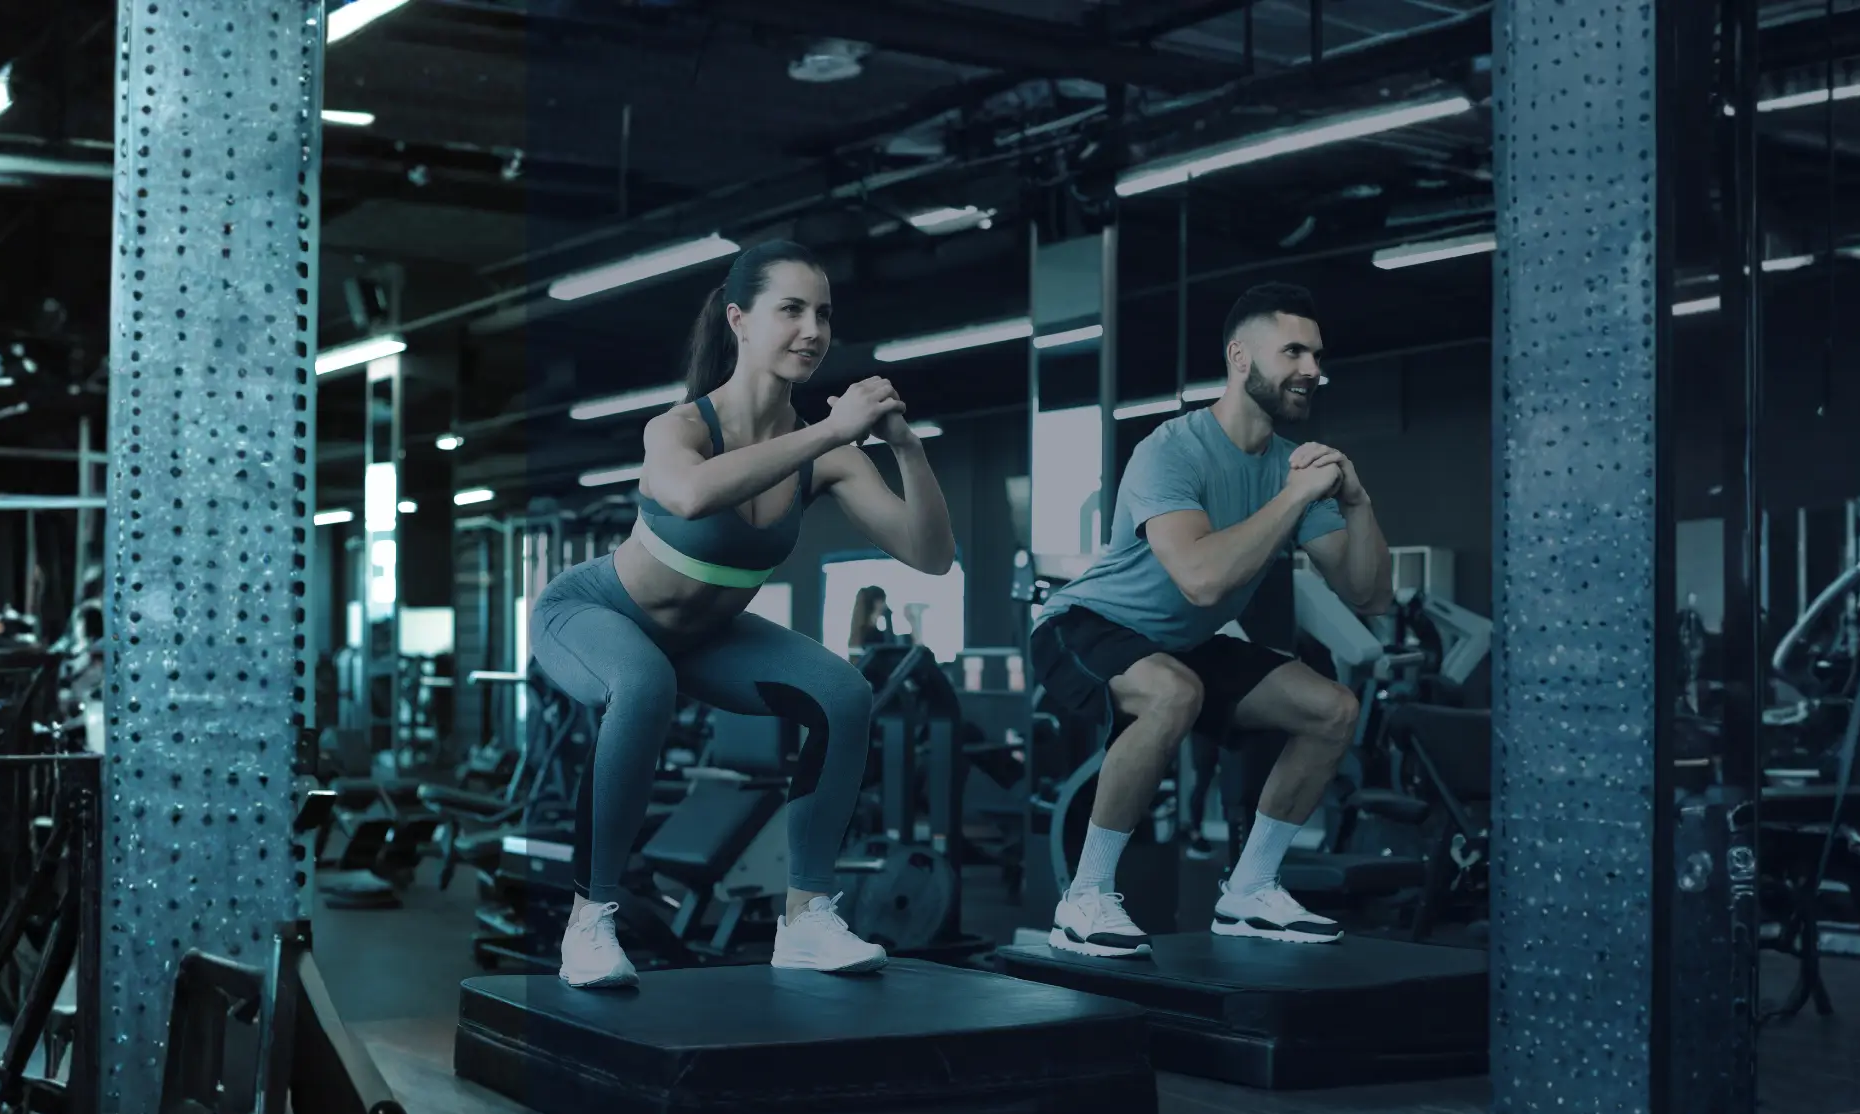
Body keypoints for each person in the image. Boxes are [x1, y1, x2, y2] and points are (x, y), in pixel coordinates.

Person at [531, 240, 957, 988]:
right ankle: (589, 922)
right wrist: (829, 429)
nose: (812, 330)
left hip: (705, 638)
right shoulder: (681, 428)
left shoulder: (831, 457)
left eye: (823, 313)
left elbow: (930, 556)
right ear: (739, 320)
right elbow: (691, 496)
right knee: (643, 682)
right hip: (597, 613)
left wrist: (908, 451)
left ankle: (806, 920)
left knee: (844, 694)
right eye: (790, 309)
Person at [1030, 282, 1393, 956]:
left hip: (1183, 641)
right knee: (1173, 694)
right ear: (1240, 358)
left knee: (1333, 709)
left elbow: (1368, 594)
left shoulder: (1293, 466)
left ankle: (1250, 891)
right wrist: (1294, 497)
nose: (1312, 368)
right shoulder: (1172, 450)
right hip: (1084, 626)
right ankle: (1084, 898)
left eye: (1316, 354)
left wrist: (1358, 500)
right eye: (1293, 351)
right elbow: (1201, 580)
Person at [847, 585, 895, 656]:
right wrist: (888, 617)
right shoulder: (872, 635)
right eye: (883, 601)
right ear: (877, 603)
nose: (885, 605)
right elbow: (891, 647)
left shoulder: (859, 633)